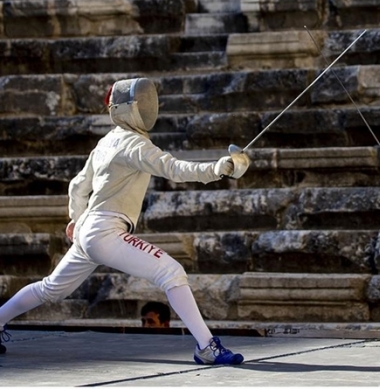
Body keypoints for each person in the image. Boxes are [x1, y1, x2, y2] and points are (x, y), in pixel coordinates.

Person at [0, 78, 250, 366]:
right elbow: (174, 168)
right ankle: (207, 347)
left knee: (50, 288)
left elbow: (77, 187)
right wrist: (219, 168)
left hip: (89, 230)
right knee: (172, 273)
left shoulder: (106, 142)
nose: (148, 106)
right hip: (105, 230)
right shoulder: (135, 145)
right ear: (128, 109)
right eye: (142, 101)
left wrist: (76, 219)